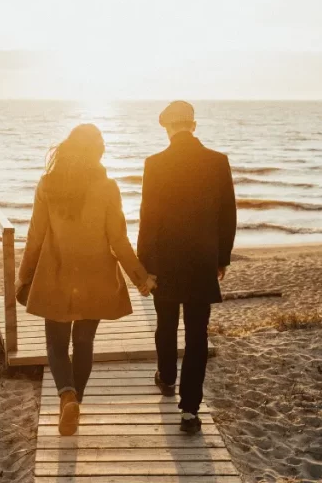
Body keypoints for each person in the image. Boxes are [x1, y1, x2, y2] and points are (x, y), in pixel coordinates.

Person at [17, 123, 156, 436]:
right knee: (83, 342)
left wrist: (23, 277)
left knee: (55, 343)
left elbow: (35, 237)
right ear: (97, 153)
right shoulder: (108, 188)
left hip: (55, 274)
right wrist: (140, 277)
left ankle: (67, 396)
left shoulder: (47, 184)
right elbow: (118, 241)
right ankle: (75, 400)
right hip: (96, 276)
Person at [137, 101, 236, 434]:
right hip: (201, 260)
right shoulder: (217, 162)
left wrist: (144, 266)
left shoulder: (155, 164)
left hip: (164, 261)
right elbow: (228, 215)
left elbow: (147, 219)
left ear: (167, 128)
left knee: (166, 324)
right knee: (196, 335)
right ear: (193, 126)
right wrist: (222, 257)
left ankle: (166, 377)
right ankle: (190, 410)